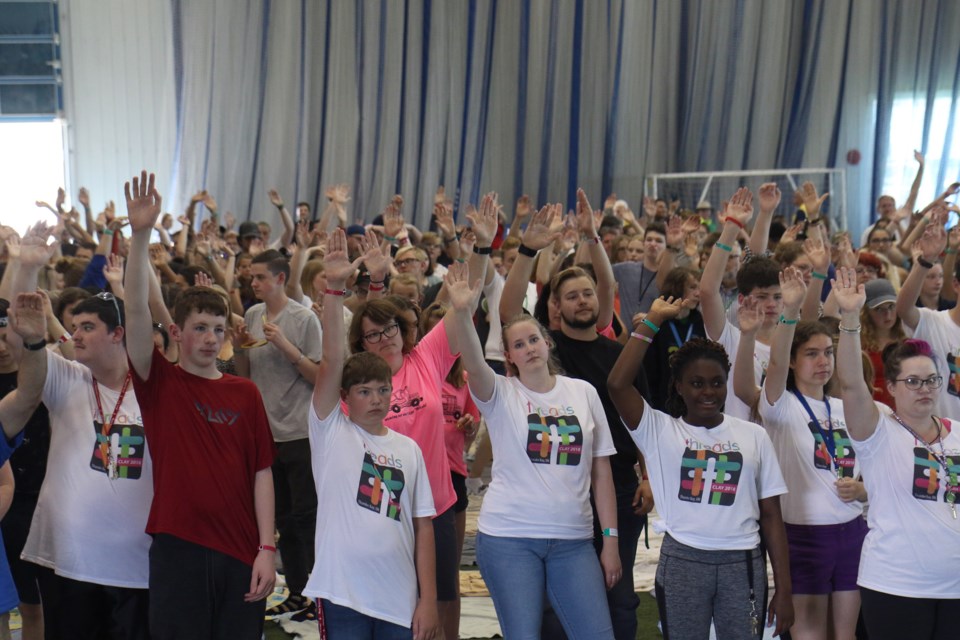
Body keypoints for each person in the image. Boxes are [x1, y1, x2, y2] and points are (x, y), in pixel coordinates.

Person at [124, 171, 276, 638]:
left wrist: (266, 548)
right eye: (200, 328)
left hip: (239, 549)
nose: (210, 339)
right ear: (176, 333)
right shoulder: (159, 383)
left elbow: (262, 473)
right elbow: (134, 308)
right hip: (178, 547)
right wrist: (142, 235)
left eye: (218, 329)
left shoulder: (245, 393)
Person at [499, 190, 652, 640]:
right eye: (571, 296)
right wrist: (528, 250)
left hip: (619, 484)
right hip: (562, 482)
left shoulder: (618, 354)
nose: (583, 300)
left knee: (618, 588)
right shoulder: (547, 353)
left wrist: (648, 476)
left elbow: (641, 422)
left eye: (587, 294)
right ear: (556, 309)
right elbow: (510, 313)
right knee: (557, 596)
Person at [445, 254, 621, 639]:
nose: (529, 348)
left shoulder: (583, 393)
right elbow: (474, 364)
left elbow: (601, 473)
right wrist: (462, 312)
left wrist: (610, 541)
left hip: (574, 540)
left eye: (534, 339)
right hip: (510, 537)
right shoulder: (500, 394)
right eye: (518, 344)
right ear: (509, 356)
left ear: (547, 342)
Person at [607, 296, 793, 639]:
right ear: (679, 385)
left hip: (743, 563)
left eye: (717, 382)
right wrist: (653, 321)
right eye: (697, 383)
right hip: (683, 563)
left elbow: (771, 516)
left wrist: (783, 588)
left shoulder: (753, 435)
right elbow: (617, 384)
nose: (709, 391)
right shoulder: (660, 430)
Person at [8, 224, 153, 639]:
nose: (75, 336)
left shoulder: (155, 389)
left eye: (88, 327)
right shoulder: (67, 378)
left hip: (136, 564)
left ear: (117, 334)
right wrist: (27, 268)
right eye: (75, 326)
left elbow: (147, 309)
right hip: (69, 561)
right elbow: (23, 336)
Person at [304, 229, 439, 639]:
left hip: (399, 595)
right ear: (345, 396)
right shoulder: (331, 432)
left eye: (383, 390)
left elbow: (424, 528)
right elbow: (330, 359)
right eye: (364, 391)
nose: (377, 399)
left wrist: (428, 599)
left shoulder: (409, 450)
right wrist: (335, 289)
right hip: (343, 591)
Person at [735, 268, 866, 640]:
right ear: (794, 361)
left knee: (847, 635)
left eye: (828, 353)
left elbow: (878, 463)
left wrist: (863, 490)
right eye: (811, 354)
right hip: (803, 535)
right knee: (810, 635)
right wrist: (790, 310)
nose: (823, 361)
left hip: (853, 531)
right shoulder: (780, 405)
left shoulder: (846, 408)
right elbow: (773, 365)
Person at [833, 265, 960, 640]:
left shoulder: (958, 436)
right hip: (896, 585)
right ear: (890, 386)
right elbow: (852, 384)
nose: (925, 389)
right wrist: (851, 317)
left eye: (932, 380)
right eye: (913, 381)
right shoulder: (878, 430)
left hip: (954, 588)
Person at [234, 248, 322, 620]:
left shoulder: (304, 320)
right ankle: (299, 592)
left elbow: (319, 376)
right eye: (251, 277)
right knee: (280, 519)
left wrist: (285, 345)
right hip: (265, 432)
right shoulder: (253, 315)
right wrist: (239, 348)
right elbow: (244, 375)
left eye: (260, 277)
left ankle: (322, 595)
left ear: (281, 278)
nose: (253, 283)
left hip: (300, 430)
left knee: (308, 518)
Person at [0, 294, 51, 640]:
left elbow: (28, 395)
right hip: (16, 511)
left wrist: (35, 342)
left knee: (41, 604)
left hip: (44, 500)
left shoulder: (42, 375)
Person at [894, 210, 960, 419]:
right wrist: (925, 262)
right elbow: (903, 308)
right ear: (956, 285)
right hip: (940, 441)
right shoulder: (935, 322)